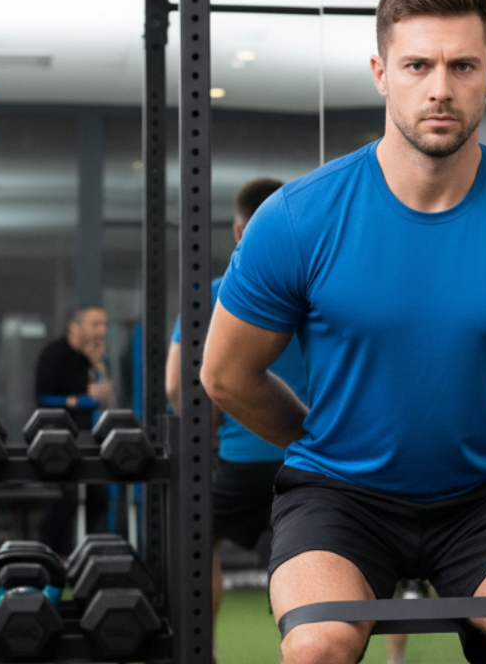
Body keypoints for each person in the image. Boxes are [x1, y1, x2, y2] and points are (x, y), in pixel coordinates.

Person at [200, 0, 486, 664]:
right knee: (316, 648)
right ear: (380, 72)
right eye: (417, 64)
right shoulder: (298, 219)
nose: (440, 88)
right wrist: (323, 436)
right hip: (338, 496)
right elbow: (225, 374)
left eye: (461, 66)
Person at [165, 177, 309, 638]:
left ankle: (202, 651)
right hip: (311, 458)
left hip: (242, 462)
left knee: (193, 535)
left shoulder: (207, 295)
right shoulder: (319, 289)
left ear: (238, 231)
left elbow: (175, 386)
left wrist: (212, 428)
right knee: (322, 547)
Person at [34, 305, 114, 554]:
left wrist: (98, 366)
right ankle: (53, 554)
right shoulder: (54, 354)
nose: (102, 330)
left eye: (104, 325)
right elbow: (42, 397)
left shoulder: (97, 359)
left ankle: (87, 553)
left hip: (90, 440)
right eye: (95, 324)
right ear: (75, 327)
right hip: (57, 442)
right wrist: (78, 400)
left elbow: (108, 402)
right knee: (64, 499)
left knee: (97, 498)